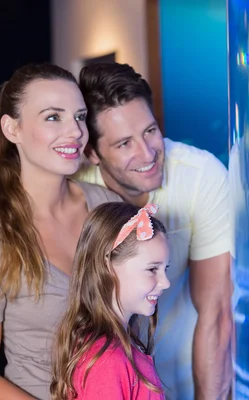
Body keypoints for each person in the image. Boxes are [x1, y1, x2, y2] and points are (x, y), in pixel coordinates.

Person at [0, 63, 122, 400]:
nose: (75, 131)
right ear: (12, 129)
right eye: (53, 117)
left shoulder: (107, 207)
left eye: (80, 116)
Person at [73, 62, 233, 399]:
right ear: (92, 153)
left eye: (150, 130)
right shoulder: (74, 191)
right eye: (123, 144)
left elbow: (216, 311)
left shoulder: (201, 174)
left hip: (187, 372)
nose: (147, 154)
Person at [51, 202, 170, 400]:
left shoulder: (116, 348)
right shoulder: (107, 360)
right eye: (152, 269)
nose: (165, 282)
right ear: (107, 267)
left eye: (166, 269)